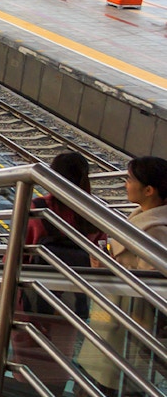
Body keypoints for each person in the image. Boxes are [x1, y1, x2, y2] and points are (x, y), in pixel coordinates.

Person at [11, 152, 98, 394]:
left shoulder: (37, 207)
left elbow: (16, 254)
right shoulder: (95, 212)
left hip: (32, 301)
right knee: (57, 368)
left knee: (27, 372)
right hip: (72, 302)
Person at [78, 156, 167, 392]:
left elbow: (153, 286)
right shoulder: (145, 216)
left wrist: (110, 266)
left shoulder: (157, 230)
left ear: (148, 190)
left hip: (129, 328)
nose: (125, 184)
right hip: (118, 324)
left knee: (106, 386)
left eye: (129, 179)